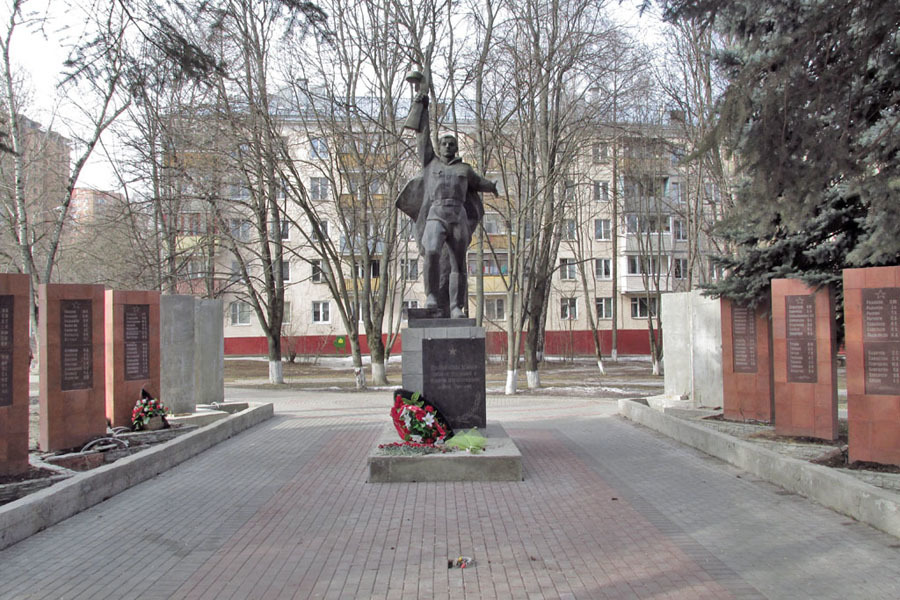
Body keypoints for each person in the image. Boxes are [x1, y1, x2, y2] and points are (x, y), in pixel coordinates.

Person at [396, 92, 499, 318]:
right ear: (439, 146)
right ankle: (431, 296)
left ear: (456, 148)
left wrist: (492, 186)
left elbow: (479, 182)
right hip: (436, 214)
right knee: (431, 250)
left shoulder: (464, 169)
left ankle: (456, 307)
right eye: (444, 143)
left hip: (458, 216)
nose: (448, 146)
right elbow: (422, 135)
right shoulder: (430, 163)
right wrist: (421, 107)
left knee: (458, 263)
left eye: (451, 143)